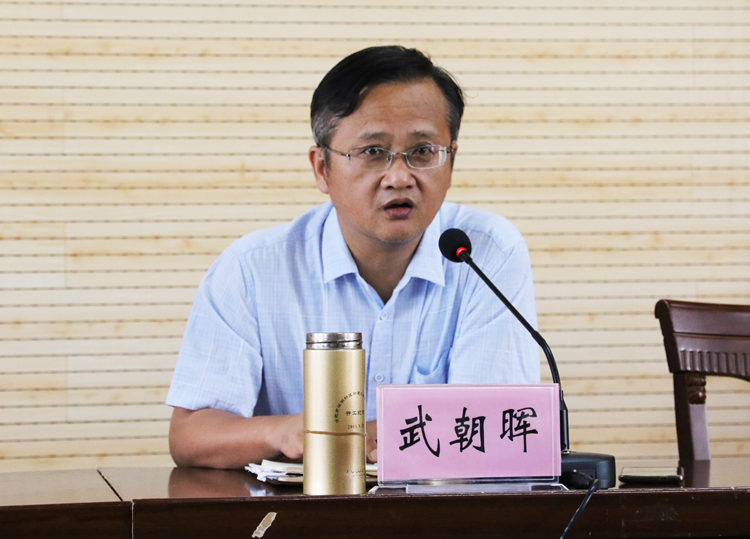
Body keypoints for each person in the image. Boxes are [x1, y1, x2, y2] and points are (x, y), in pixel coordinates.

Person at [166, 46, 540, 469]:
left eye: (423, 151)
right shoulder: (253, 268)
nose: (399, 178)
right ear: (322, 169)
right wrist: (290, 431)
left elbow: (494, 426)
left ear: (450, 161)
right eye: (372, 152)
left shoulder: (485, 253)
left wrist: (371, 436)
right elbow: (192, 435)